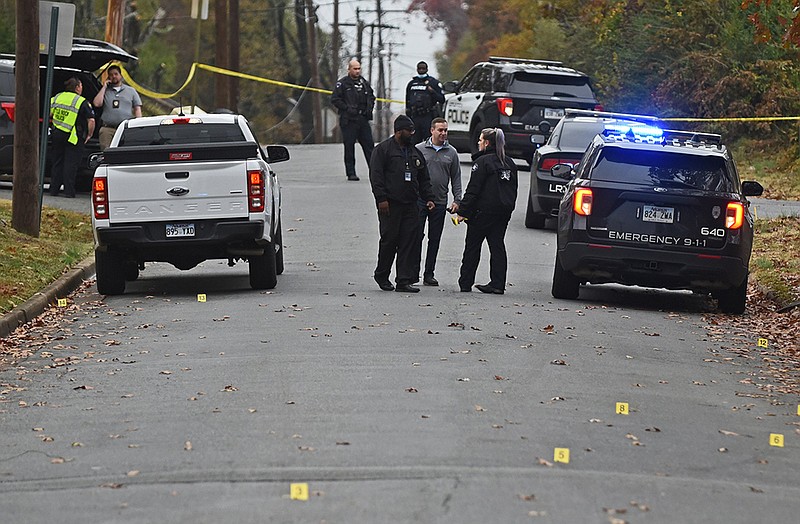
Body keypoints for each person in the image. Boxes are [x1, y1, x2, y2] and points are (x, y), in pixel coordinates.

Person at [369, 115, 436, 293]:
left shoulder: (414, 152)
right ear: (398, 131)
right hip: (390, 205)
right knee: (389, 241)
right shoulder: (383, 150)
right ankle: (382, 275)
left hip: (411, 204)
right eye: (409, 131)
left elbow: (424, 178)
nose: (412, 134)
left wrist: (428, 198)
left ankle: (403, 280)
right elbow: (376, 177)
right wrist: (381, 199)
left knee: (409, 241)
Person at [456, 128, 518, 294]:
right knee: (497, 245)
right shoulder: (510, 163)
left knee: (472, 247)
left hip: (482, 212)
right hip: (503, 212)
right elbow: (514, 189)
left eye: (480, 139)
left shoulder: (482, 163)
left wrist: (463, 210)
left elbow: (474, 189)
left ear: (487, 143)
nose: (478, 142)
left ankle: (465, 282)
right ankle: (498, 283)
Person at [412, 117, 462, 286]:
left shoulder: (452, 153)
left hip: (440, 202)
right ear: (431, 130)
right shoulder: (419, 149)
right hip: (420, 201)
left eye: (445, 130)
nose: (443, 133)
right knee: (416, 236)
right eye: (440, 130)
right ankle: (412, 273)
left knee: (435, 239)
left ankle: (429, 274)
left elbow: (456, 178)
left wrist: (457, 200)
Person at [49, 77, 95, 198]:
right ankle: (69, 191)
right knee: (70, 164)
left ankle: (54, 190)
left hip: (57, 134)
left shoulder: (57, 97)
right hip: (73, 136)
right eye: (81, 86)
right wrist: (89, 134)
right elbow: (91, 120)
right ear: (77, 87)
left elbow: (49, 113)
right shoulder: (81, 101)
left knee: (57, 162)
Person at [331, 59, 376, 181]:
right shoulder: (343, 84)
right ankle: (351, 172)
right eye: (355, 69)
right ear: (349, 69)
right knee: (349, 146)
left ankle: (375, 172)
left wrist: (369, 108)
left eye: (358, 68)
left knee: (369, 146)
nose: (357, 71)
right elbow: (335, 99)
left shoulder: (364, 83)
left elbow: (372, 97)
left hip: (363, 119)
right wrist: (346, 108)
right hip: (349, 120)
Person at [92, 64, 142, 150]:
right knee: (106, 152)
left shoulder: (131, 91)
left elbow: (137, 108)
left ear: (121, 75)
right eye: (111, 75)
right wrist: (104, 87)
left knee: (124, 151)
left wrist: (139, 124)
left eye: (115, 74)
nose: (113, 76)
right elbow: (96, 104)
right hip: (107, 129)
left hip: (125, 129)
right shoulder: (105, 91)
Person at [405, 61, 445, 145]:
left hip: (428, 115)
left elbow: (442, 99)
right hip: (415, 116)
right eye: (420, 68)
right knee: (414, 142)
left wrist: (432, 92)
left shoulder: (433, 82)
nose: (421, 70)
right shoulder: (412, 84)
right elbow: (408, 101)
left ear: (427, 69)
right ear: (417, 69)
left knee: (428, 141)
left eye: (423, 68)